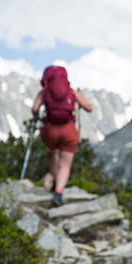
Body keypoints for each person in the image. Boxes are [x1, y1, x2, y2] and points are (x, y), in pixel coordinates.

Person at [31, 66, 93, 207]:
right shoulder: (72, 92)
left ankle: (55, 182)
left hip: (50, 129)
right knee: (65, 165)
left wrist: (36, 118)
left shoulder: (44, 92)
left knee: (52, 153)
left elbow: (35, 109)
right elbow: (88, 107)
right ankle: (58, 192)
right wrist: (79, 96)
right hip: (68, 130)